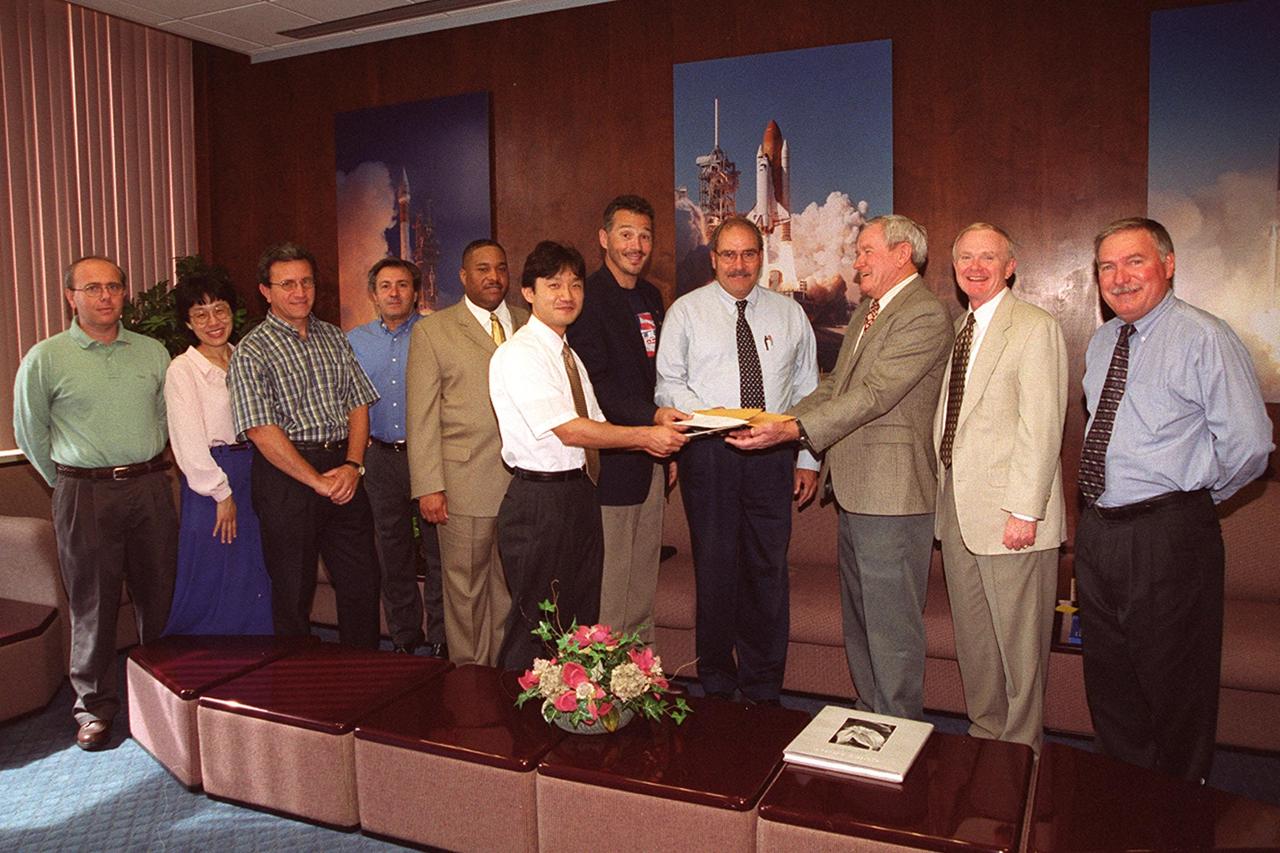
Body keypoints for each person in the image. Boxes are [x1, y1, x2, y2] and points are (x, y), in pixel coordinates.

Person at [728, 214, 952, 719]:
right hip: (857, 489)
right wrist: (780, 418)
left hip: (893, 495)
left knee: (892, 627)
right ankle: (870, 716)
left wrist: (792, 430)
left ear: (902, 254)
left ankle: (898, 730)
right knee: (862, 620)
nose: (857, 262)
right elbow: (835, 384)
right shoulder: (871, 309)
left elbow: (874, 394)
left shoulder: (923, 314)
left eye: (867, 251)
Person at [1076, 217, 1272, 781]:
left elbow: (1251, 445)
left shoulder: (1204, 336)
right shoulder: (1102, 341)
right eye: (1107, 266)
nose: (1120, 277)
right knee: (1111, 686)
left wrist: (1191, 503)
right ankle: (1123, 800)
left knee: (1176, 691)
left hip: (1168, 535)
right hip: (1099, 531)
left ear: (1168, 264)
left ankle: (1179, 812)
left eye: (1134, 261)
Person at [489, 240, 686, 672]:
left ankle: (570, 707)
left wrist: (659, 424)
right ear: (528, 292)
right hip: (538, 502)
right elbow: (570, 429)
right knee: (535, 627)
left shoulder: (570, 356)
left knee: (579, 622)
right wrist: (646, 436)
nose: (567, 295)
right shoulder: (519, 354)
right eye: (554, 285)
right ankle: (513, 712)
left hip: (580, 496)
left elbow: (598, 425)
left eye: (575, 285)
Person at [13, 255, 177, 750]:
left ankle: (165, 697)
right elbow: (30, 432)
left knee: (160, 597)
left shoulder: (152, 352)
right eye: (92, 288)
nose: (105, 296)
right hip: (84, 493)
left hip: (149, 487)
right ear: (71, 297)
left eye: (113, 286)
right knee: (93, 605)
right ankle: (95, 709)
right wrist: (69, 482)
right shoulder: (45, 358)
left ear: (124, 293)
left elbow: (167, 420)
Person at [657, 216, 819, 704]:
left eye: (748, 254)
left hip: (773, 454)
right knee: (715, 570)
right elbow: (669, 384)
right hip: (710, 456)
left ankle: (763, 686)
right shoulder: (686, 313)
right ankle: (717, 683)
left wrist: (808, 459)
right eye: (728, 254)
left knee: (767, 572)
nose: (739, 264)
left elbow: (808, 391)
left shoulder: (790, 315)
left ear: (761, 257)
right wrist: (715, 419)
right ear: (713, 259)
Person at [931, 223, 1067, 752]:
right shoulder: (961, 328)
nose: (975, 267)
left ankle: (1021, 751)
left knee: (1019, 650)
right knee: (976, 644)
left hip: (1013, 516)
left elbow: (1042, 427)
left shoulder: (1034, 327)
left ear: (1010, 267)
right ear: (954, 266)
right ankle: (986, 737)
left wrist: (1025, 512)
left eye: (988, 257)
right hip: (959, 511)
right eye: (965, 257)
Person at [227, 242, 381, 648]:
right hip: (287, 478)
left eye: (307, 282)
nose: (300, 292)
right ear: (266, 291)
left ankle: (365, 674)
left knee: (362, 584)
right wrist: (316, 481)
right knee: (293, 594)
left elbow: (358, 403)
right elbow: (261, 430)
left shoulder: (333, 336)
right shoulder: (251, 350)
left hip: (343, 471)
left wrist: (353, 466)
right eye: (288, 284)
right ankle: (297, 682)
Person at [567, 195, 687, 640]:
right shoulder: (587, 298)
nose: (636, 245)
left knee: (641, 585)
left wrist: (668, 447)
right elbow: (597, 385)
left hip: (652, 459)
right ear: (604, 239)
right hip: (611, 463)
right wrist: (654, 419)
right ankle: (602, 677)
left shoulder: (651, 296)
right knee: (612, 586)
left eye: (645, 236)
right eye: (626, 234)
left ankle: (637, 673)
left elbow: (658, 377)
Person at [407, 240, 528, 666]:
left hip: (522, 486)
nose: (493, 277)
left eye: (501, 268)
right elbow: (420, 417)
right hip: (463, 485)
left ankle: (500, 677)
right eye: (482, 268)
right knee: (466, 592)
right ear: (463, 276)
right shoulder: (433, 331)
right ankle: (471, 680)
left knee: (508, 590)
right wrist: (429, 487)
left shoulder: (529, 323)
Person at [163, 272, 273, 636]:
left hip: (255, 471)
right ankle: (210, 660)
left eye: (220, 310)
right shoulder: (183, 370)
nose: (213, 321)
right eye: (201, 314)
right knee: (214, 570)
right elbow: (187, 441)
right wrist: (221, 494)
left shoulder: (246, 358)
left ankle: (254, 655)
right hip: (212, 479)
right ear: (188, 323)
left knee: (252, 570)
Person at [349, 258, 447, 657]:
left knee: (439, 552)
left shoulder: (436, 333)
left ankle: (441, 638)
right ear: (373, 294)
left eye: (403, 285)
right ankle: (405, 638)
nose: (394, 293)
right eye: (386, 286)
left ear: (416, 292)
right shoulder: (354, 341)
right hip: (379, 459)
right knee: (393, 553)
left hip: (430, 457)